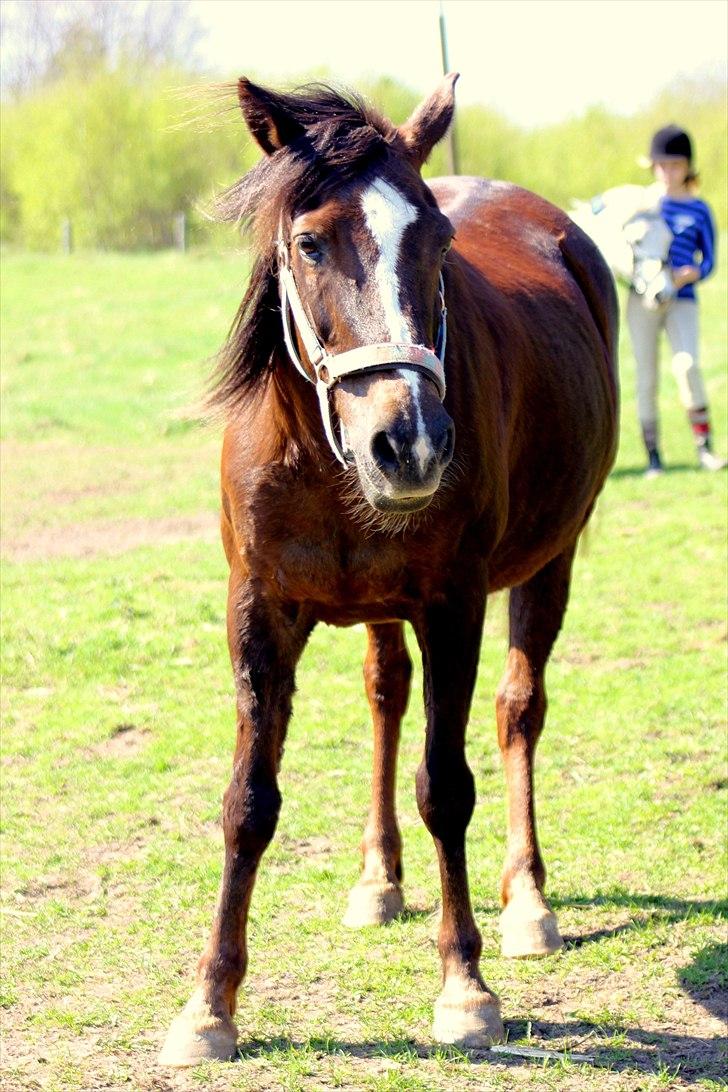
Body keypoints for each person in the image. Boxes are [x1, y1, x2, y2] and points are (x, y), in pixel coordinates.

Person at [627, 124, 724, 476]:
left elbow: (710, 259)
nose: (668, 173)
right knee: (646, 376)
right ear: (653, 167)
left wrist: (690, 273)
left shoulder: (699, 209)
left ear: (687, 167)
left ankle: (705, 448)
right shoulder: (639, 203)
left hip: (682, 298)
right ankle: (653, 456)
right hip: (642, 301)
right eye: (661, 165)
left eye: (675, 165)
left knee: (688, 365)